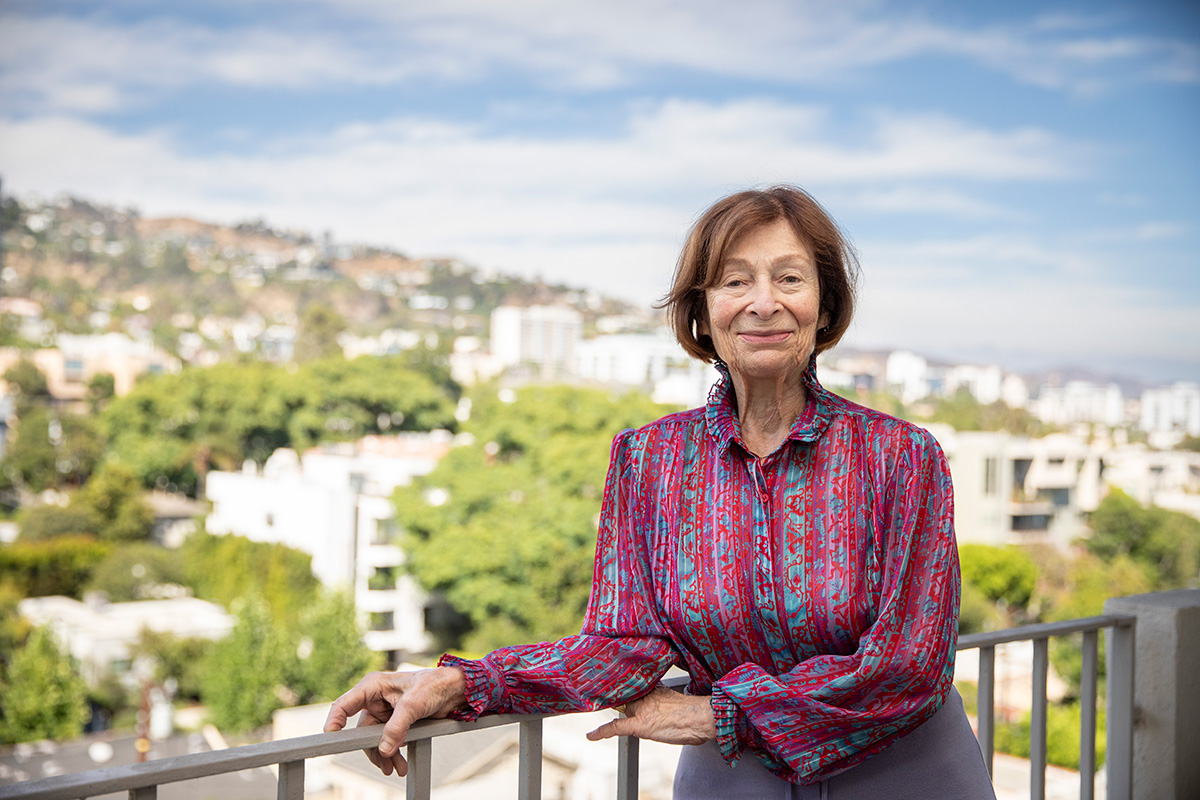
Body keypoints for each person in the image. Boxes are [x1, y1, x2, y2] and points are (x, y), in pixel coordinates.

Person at [324, 186, 996, 799]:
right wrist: (464, 682)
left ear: (824, 307)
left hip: (907, 774)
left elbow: (910, 664)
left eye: (790, 278)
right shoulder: (650, 459)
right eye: (736, 280)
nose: (764, 301)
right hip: (735, 783)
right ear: (703, 313)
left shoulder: (902, 457)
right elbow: (623, 644)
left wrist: (718, 714)